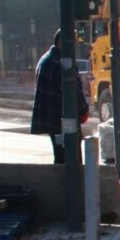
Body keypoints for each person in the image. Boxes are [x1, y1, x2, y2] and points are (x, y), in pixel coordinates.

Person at [31, 29, 90, 164]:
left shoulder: (46, 59)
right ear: (62, 42)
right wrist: (83, 110)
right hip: (63, 119)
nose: (75, 46)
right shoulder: (62, 63)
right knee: (71, 159)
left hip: (52, 118)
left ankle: (62, 182)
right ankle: (70, 184)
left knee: (60, 157)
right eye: (73, 42)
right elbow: (73, 91)